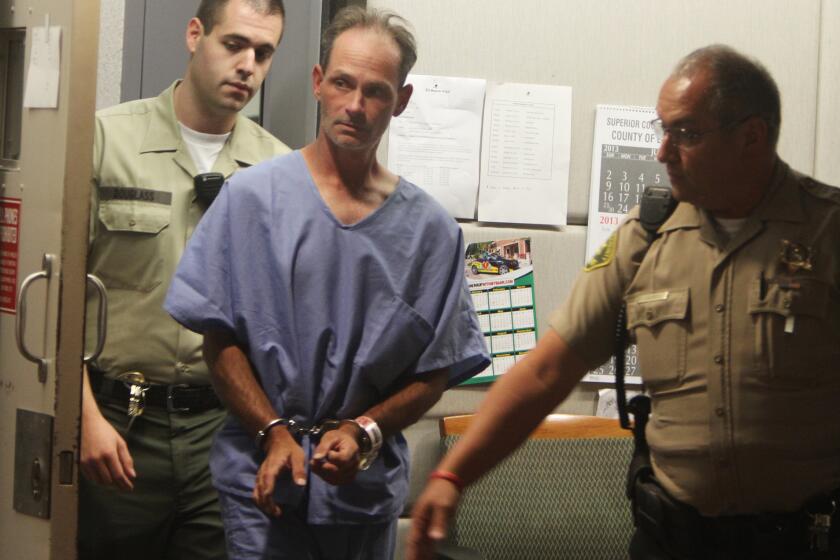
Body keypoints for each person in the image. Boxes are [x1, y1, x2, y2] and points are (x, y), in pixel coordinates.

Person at [408, 44, 840, 560]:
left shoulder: (827, 233)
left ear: (752, 136)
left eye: (687, 133)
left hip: (800, 541)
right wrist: (452, 475)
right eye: (664, 130)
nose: (663, 152)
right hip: (672, 541)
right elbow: (548, 371)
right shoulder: (647, 237)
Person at [163, 6, 489, 560]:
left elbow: (435, 371)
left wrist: (367, 429)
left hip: (359, 492)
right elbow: (219, 339)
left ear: (401, 101)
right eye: (342, 83)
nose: (355, 106)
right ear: (318, 83)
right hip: (263, 482)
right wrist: (273, 432)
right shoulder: (252, 200)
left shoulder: (431, 233)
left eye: (376, 92)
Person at [79, 1, 289, 559]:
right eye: (234, 44)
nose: (248, 65)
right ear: (196, 35)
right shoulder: (106, 141)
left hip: (222, 429)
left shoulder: (277, 172)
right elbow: (56, 295)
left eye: (263, 53)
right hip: (119, 422)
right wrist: (83, 418)